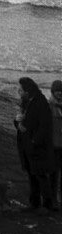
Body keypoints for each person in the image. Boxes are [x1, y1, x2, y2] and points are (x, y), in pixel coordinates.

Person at [15, 77, 57, 211]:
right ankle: (35, 202)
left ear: (27, 91)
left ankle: (47, 204)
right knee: (32, 174)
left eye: (21, 90)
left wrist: (34, 142)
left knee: (40, 175)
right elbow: (22, 120)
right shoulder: (26, 102)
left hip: (37, 146)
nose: (19, 92)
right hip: (27, 145)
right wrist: (17, 122)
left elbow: (45, 126)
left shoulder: (40, 102)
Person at [50, 80, 62, 210]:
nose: (59, 94)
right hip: (53, 145)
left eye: (61, 91)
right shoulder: (49, 106)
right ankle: (53, 198)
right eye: (57, 91)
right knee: (53, 174)